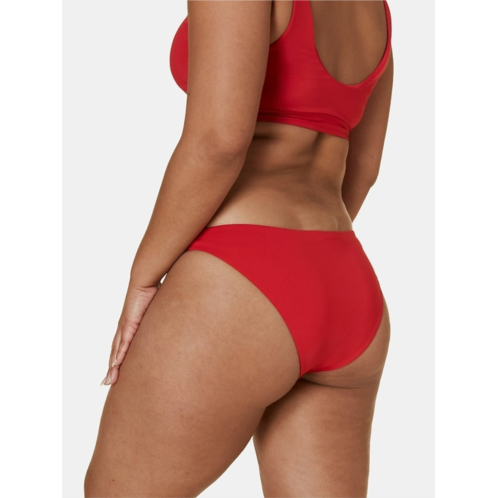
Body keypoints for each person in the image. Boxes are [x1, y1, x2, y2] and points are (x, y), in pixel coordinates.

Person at [84, 0, 394, 496]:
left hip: (241, 276)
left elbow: (219, 143)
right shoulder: (375, 7)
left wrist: (143, 277)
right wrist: (302, 272)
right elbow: (365, 167)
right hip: (347, 283)